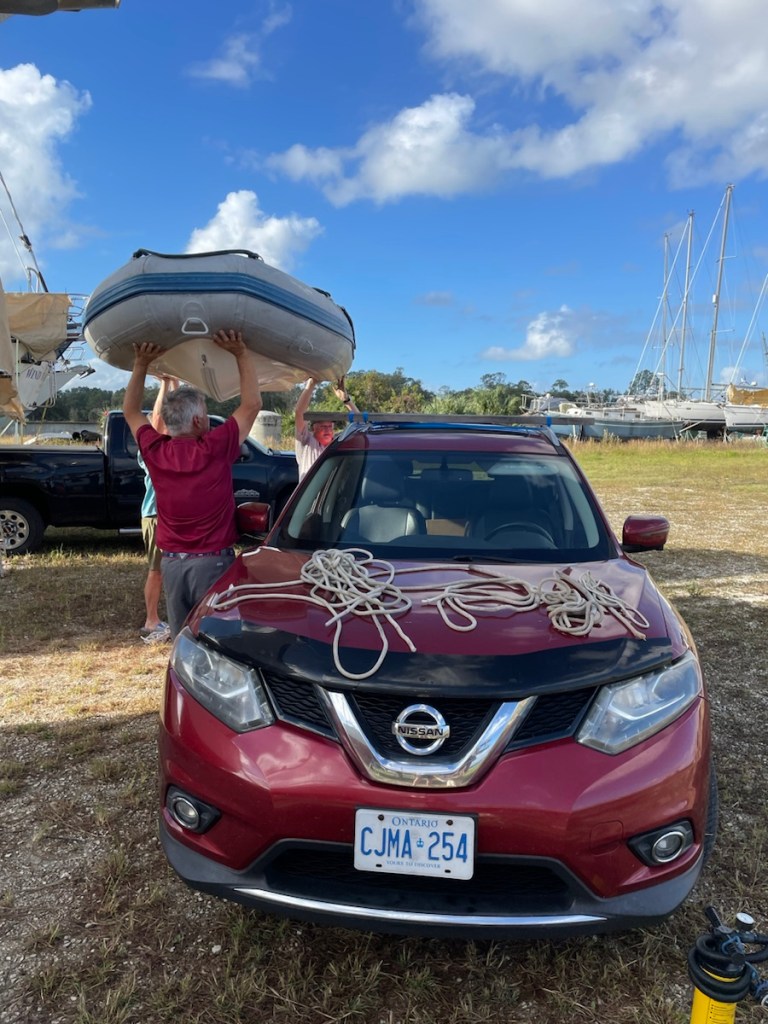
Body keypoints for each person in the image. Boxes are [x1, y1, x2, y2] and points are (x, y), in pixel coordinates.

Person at [123, 330, 262, 638]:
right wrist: (240, 352)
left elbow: (130, 412)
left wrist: (140, 363)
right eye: (206, 415)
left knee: (184, 640)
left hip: (173, 567)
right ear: (198, 421)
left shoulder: (155, 451)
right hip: (212, 565)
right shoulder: (215, 447)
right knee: (218, 640)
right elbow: (252, 404)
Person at [138, 373, 179, 644]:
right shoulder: (151, 451)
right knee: (157, 570)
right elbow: (157, 419)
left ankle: (167, 616)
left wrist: (175, 384)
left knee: (171, 568)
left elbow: (175, 416)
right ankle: (151, 621)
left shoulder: (171, 448)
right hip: (155, 516)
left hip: (169, 517)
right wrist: (165, 385)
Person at [294, 376, 358, 480]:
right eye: (323, 426)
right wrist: (311, 383)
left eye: (330, 426)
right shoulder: (306, 441)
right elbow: (299, 413)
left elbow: (359, 424)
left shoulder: (338, 442)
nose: (328, 430)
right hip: (312, 491)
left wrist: (346, 400)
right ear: (314, 428)